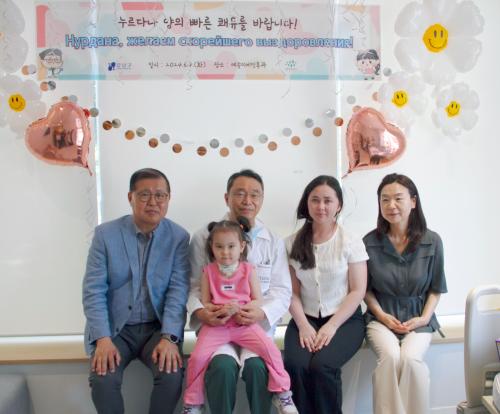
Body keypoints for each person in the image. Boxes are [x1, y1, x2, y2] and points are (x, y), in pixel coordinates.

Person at [82, 168, 190, 414]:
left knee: (172, 372)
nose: (153, 202)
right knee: (103, 377)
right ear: (130, 197)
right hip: (115, 330)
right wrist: (102, 339)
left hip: (157, 328)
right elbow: (93, 290)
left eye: (160, 195)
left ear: (168, 199)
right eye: (144, 195)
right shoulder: (105, 235)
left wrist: (170, 338)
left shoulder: (178, 238)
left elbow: (178, 291)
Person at [187, 169, 292, 414]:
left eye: (255, 195)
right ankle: (193, 403)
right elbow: (193, 286)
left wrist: (260, 312)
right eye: (240, 193)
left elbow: (281, 291)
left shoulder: (273, 241)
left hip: (255, 327)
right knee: (222, 368)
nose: (248, 200)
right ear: (227, 198)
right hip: (217, 325)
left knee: (257, 368)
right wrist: (203, 313)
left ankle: (281, 398)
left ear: (262, 199)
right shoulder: (204, 236)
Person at [363, 173, 447, 414]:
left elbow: (436, 288)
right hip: (380, 319)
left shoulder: (432, 241)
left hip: (419, 319)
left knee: (410, 360)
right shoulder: (369, 242)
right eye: (385, 199)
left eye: (398, 198)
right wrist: (382, 315)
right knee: (390, 358)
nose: (391, 205)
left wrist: (423, 318)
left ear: (413, 201)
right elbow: (365, 290)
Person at [284, 175, 368, 414]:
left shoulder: (351, 241)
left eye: (328, 201)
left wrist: (331, 326)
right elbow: (291, 293)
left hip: (344, 320)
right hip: (305, 319)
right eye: (315, 200)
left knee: (322, 367)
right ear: (307, 203)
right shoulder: (290, 244)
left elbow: (357, 291)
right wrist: (303, 326)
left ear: (338, 205)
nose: (321, 206)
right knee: (296, 365)